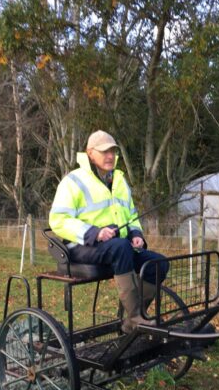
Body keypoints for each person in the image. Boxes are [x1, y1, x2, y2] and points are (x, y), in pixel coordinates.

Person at [49, 130, 169, 333]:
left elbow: (131, 215)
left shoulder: (120, 181)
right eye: (104, 151)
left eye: (113, 151)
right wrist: (94, 232)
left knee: (159, 264)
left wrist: (136, 235)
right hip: (80, 246)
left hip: (116, 247)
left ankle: (136, 316)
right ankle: (134, 319)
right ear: (89, 153)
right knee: (121, 247)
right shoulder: (73, 181)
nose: (110, 156)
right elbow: (57, 220)